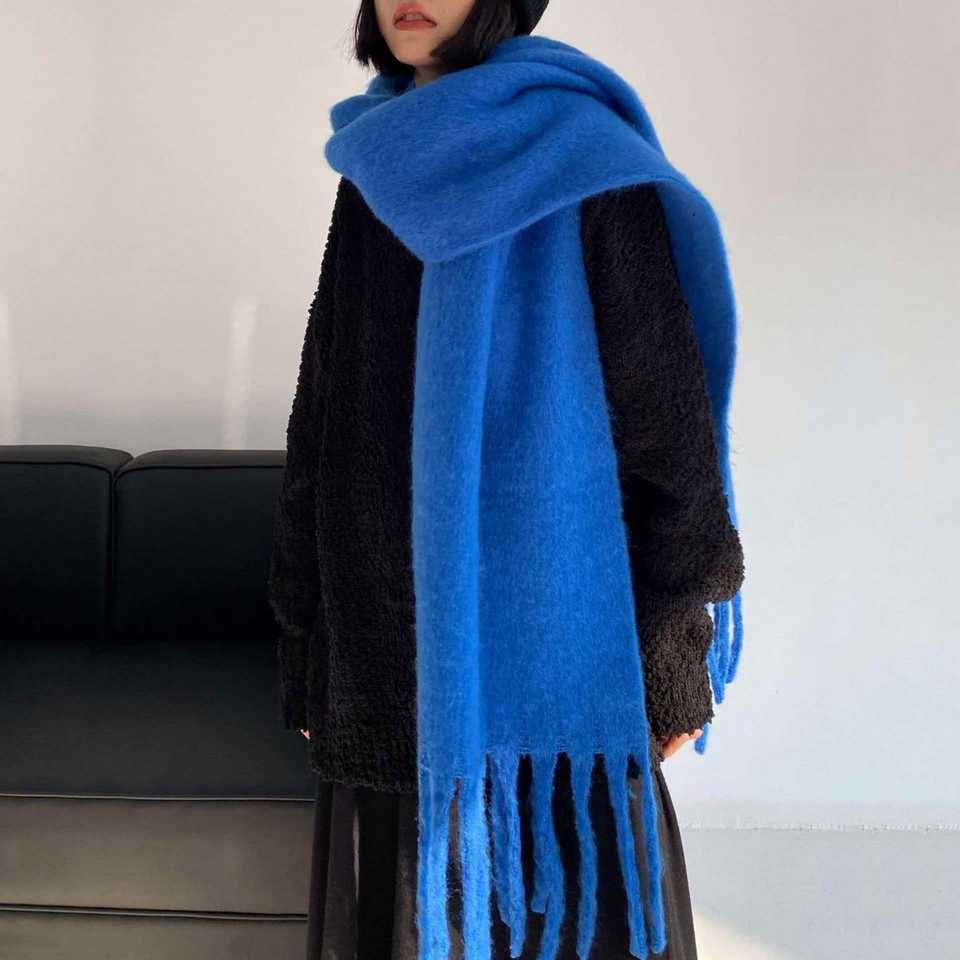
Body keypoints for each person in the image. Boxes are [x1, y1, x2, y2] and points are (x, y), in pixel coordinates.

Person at [267, 2, 746, 959]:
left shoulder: (588, 159)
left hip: (565, 658)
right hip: (382, 653)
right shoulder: (373, 166)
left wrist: (671, 660)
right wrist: (308, 647)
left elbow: (667, 433)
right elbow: (324, 415)